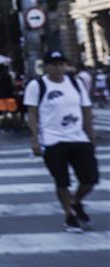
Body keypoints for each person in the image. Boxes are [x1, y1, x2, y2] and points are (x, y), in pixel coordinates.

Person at [24, 51, 98, 233]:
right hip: (52, 139)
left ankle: (75, 201)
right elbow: (32, 114)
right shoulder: (37, 85)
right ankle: (69, 215)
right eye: (54, 64)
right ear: (47, 66)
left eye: (61, 64)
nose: (58, 68)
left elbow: (86, 108)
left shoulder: (75, 83)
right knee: (62, 181)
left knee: (90, 179)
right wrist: (35, 139)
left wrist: (91, 134)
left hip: (78, 137)